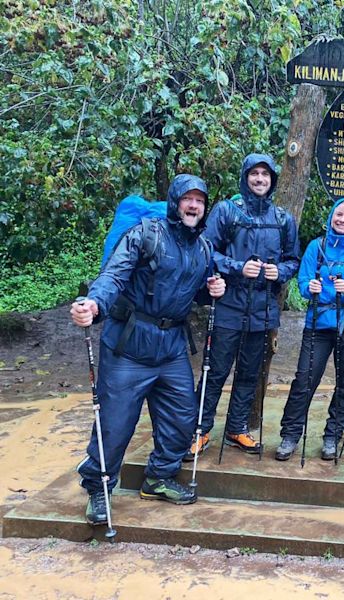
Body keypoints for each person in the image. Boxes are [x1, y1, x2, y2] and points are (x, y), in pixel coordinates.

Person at [71, 174, 225, 524]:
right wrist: (94, 305)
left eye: (200, 201)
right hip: (129, 345)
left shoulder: (203, 248)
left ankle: (159, 478)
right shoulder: (145, 234)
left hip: (170, 348)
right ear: (175, 202)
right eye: (188, 199)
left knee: (183, 416)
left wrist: (212, 289)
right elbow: (114, 276)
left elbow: (194, 291)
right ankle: (99, 485)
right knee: (115, 422)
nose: (194, 205)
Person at [186, 153, 300, 459]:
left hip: (263, 308)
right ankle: (200, 429)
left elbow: (293, 260)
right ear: (245, 177)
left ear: (272, 180)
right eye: (254, 174)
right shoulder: (226, 211)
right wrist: (237, 267)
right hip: (229, 305)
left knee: (250, 372)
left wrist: (281, 272)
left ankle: (237, 428)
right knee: (216, 370)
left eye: (265, 174)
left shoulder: (283, 219)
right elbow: (206, 250)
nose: (260, 179)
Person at [275, 198, 344, 461]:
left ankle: (333, 434)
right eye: (339, 215)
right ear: (331, 216)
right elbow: (304, 280)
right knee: (304, 379)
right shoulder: (316, 247)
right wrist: (311, 288)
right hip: (319, 324)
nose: (342, 220)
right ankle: (291, 433)